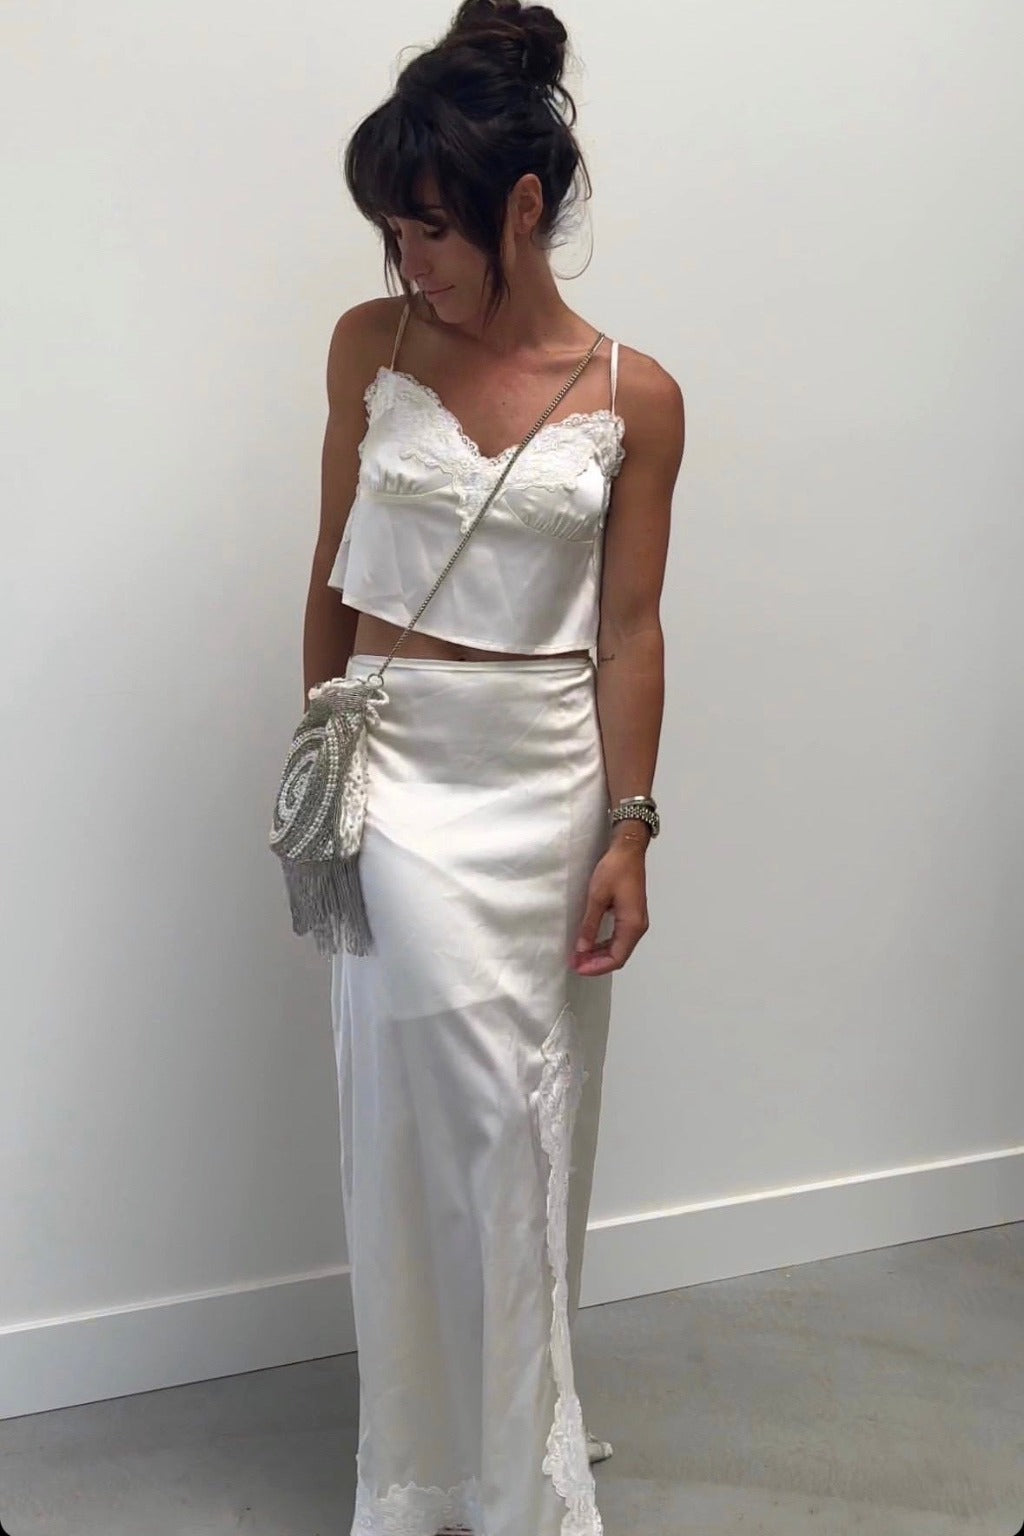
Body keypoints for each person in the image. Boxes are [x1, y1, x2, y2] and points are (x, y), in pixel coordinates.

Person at [301, 3, 685, 1532]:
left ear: (524, 208)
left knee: (531, 1129)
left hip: (546, 784)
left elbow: (632, 632)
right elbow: (328, 572)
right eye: (393, 235)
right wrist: (319, 759)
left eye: (432, 233)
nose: (410, 264)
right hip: (396, 770)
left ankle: (518, 1445)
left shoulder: (633, 396)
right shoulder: (370, 344)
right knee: (430, 1124)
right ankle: (433, 1466)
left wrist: (630, 829)